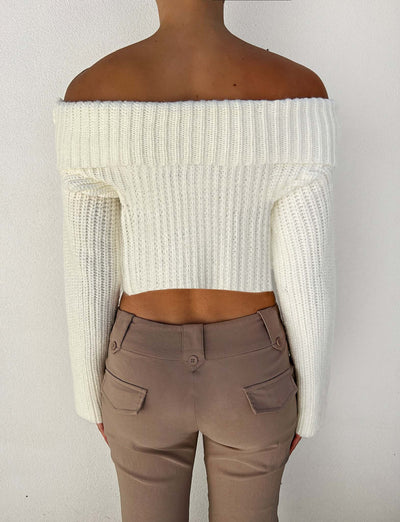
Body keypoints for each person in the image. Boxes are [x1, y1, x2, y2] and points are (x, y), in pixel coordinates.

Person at [52, 0, 337, 520]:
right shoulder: (297, 90)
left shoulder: (92, 92)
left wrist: (89, 397)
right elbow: (307, 274)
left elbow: (88, 269)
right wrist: (310, 406)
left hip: (140, 371)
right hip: (251, 372)